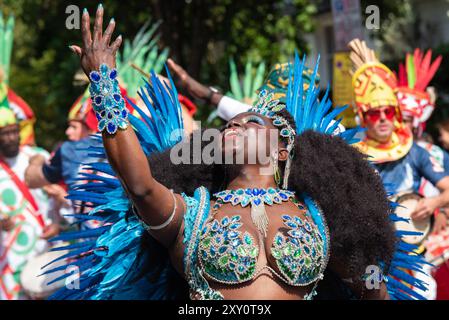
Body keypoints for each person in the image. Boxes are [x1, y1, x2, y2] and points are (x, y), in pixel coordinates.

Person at [45, 6, 429, 301]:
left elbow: (369, 287)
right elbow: (141, 185)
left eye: (252, 123)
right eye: (230, 124)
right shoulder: (193, 215)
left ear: (282, 150)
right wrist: (104, 83)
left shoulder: (319, 216)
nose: (234, 126)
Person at [348, 39, 449, 299]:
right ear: (363, 116)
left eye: (388, 111)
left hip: (414, 256)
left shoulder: (416, 151)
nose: (382, 118)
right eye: (373, 113)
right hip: (372, 256)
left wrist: (434, 202)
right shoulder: (351, 153)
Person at [0, 106, 61, 300]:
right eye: (5, 133)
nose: (11, 138)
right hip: (11, 256)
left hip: (47, 244)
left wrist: (57, 222)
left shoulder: (37, 156)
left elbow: (59, 196)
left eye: (14, 131)